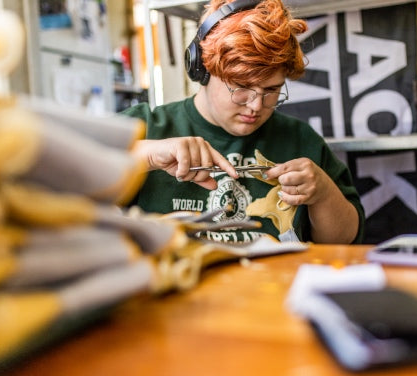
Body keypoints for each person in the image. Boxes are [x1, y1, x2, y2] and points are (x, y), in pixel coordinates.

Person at [122, 0, 364, 244]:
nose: (256, 106)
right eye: (241, 88)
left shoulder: (300, 139)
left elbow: (344, 241)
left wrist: (322, 193)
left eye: (272, 90)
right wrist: (146, 156)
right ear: (203, 69)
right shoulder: (144, 128)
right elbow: (82, 178)